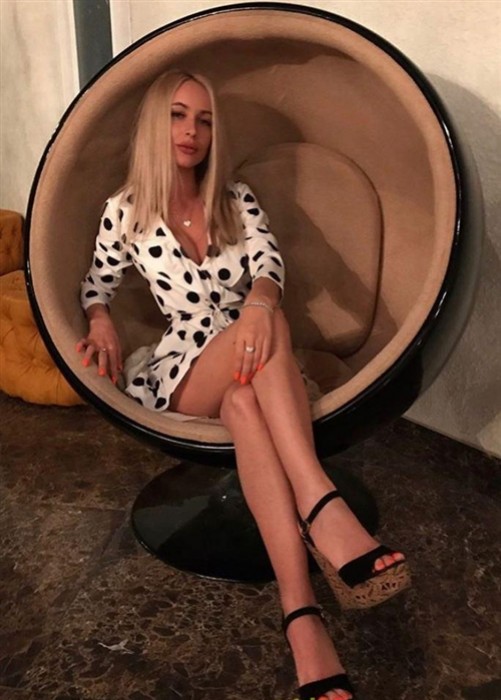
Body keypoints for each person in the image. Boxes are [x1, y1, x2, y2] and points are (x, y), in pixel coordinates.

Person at [77, 69, 410, 700]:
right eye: (178, 116)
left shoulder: (235, 196)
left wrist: (258, 303)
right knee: (263, 327)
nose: (191, 131)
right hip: (184, 368)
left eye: (204, 120)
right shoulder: (124, 210)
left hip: (252, 360)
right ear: (155, 125)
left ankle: (301, 615)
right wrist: (100, 321)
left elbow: (269, 264)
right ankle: (320, 501)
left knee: (245, 395)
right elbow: (97, 284)